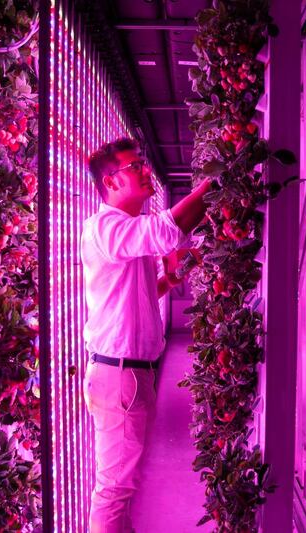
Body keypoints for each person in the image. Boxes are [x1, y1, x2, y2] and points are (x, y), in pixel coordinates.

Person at [80, 137, 210, 533]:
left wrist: (169, 280)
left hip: (127, 377)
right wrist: (219, 179)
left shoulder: (119, 231)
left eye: (143, 163)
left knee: (122, 485)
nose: (146, 170)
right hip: (121, 377)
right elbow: (168, 229)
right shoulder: (106, 227)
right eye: (136, 166)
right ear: (111, 182)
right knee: (115, 488)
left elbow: (132, 295)